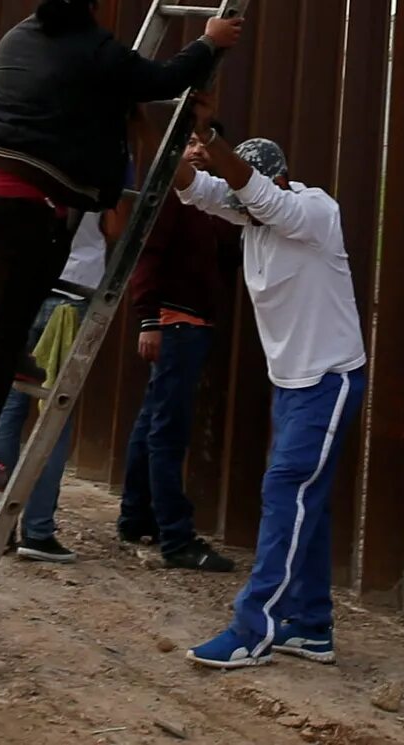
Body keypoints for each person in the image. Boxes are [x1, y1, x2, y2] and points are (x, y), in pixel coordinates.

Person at [0, 0, 241, 492]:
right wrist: (209, 40)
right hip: (14, 203)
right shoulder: (96, 49)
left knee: (47, 250)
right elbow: (164, 78)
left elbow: (71, 96)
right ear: (92, 4)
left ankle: (21, 360)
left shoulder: (15, 38)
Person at [175, 115, 367, 670]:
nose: (241, 206)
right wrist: (166, 136)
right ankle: (309, 626)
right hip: (292, 384)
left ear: (274, 183)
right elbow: (194, 190)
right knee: (307, 502)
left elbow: (257, 197)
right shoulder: (254, 220)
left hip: (328, 381)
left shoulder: (312, 211)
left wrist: (212, 138)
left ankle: (252, 627)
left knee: (287, 494)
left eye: (248, 193)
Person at [0, 196, 122, 562]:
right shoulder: (100, 163)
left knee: (9, 407)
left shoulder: (32, 157)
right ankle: (38, 531)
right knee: (55, 419)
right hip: (73, 293)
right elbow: (114, 229)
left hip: (26, 288)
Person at [114, 161, 236, 574]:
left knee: (153, 422)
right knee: (168, 430)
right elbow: (146, 253)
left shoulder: (205, 201)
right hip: (176, 324)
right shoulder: (169, 195)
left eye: (208, 142)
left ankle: (135, 518)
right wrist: (148, 319)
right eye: (192, 141)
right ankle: (176, 539)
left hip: (191, 323)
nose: (201, 149)